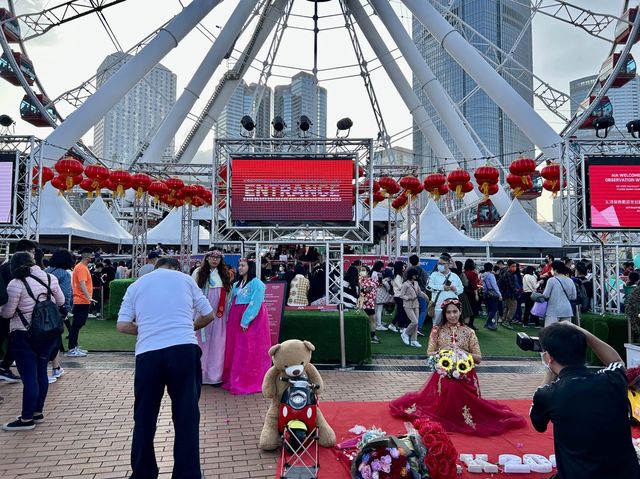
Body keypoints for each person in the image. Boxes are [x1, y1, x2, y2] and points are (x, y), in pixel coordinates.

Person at [117, 257, 214, 479]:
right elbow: (208, 314)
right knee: (186, 415)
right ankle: (187, 474)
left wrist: (148, 329)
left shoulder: (136, 284)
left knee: (144, 416)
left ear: (156, 266)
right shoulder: (185, 280)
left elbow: (122, 325)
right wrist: (188, 326)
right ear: (177, 268)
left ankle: (143, 472)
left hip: (148, 353)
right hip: (183, 349)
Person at [390, 298, 526, 436]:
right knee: (449, 386)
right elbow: (429, 353)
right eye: (448, 312)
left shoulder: (469, 332)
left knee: (459, 393)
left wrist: (463, 353)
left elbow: (478, 358)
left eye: (455, 311)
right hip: (444, 373)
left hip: (465, 375)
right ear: (444, 314)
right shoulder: (437, 330)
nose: (452, 315)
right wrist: (444, 352)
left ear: (460, 312)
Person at [531, 322, 640, 479]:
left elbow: (538, 424)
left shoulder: (548, 394)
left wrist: (549, 370)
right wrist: (581, 332)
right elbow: (617, 361)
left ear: (548, 357)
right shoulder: (611, 380)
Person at [0, 252, 65, 431]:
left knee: (29, 378)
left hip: (23, 334)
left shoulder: (16, 283)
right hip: (48, 334)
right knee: (41, 374)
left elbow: (7, 312)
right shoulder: (50, 278)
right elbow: (61, 301)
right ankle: (37, 412)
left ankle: (26, 418)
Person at [222, 259, 272, 395]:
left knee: (248, 348)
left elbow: (255, 303)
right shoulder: (237, 283)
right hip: (235, 317)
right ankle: (236, 377)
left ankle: (250, 379)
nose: (240, 268)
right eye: (239, 265)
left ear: (250, 268)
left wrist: (245, 321)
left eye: (243, 265)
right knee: (236, 347)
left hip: (250, 319)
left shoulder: (257, 284)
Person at [0, 239, 37, 384]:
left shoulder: (6, 267)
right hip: (11, 313)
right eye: (32, 253)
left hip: (10, 312)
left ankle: (4, 367)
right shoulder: (14, 271)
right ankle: (4, 367)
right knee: (12, 342)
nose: (33, 257)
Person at [192, 249, 231, 385]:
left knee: (218, 343)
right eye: (212, 257)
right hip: (202, 313)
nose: (215, 260)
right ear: (207, 258)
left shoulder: (224, 274)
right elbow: (193, 294)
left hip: (220, 315)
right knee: (201, 342)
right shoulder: (198, 273)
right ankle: (200, 374)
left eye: (217, 258)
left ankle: (215, 376)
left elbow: (228, 295)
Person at [44, 249, 75, 382]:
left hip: (41, 309)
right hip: (56, 309)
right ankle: (54, 368)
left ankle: (56, 367)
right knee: (55, 339)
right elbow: (66, 294)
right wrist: (65, 310)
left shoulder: (45, 271)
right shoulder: (64, 274)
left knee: (45, 338)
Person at [67, 247, 95, 357]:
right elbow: (82, 284)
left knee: (77, 324)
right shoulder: (81, 268)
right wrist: (89, 297)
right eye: (91, 255)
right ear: (87, 257)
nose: (92, 257)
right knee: (77, 324)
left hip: (82, 300)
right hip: (81, 300)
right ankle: (72, 348)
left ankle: (74, 347)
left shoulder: (80, 267)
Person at [427, 253, 463, 327]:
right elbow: (428, 286)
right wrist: (442, 287)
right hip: (438, 307)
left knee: (453, 328)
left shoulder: (455, 276)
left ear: (448, 264)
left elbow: (461, 289)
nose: (439, 265)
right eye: (438, 263)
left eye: (442, 263)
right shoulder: (434, 275)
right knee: (437, 328)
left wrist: (455, 289)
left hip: (453, 307)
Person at [541, 260, 577, 327]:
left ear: (555, 270)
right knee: (566, 333)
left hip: (553, 310)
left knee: (550, 333)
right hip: (567, 310)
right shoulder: (570, 280)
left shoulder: (551, 280)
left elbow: (546, 295)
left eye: (551, 269)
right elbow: (573, 297)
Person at [400, 267, 429, 348]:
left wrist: (426, 297)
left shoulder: (416, 283)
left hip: (416, 304)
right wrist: (409, 298)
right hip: (408, 305)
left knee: (415, 324)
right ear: (412, 275)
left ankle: (414, 340)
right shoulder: (405, 284)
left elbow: (419, 293)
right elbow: (401, 295)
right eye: (415, 274)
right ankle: (405, 334)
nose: (417, 276)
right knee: (415, 322)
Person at [408, 255, 429, 336]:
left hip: (410, 292)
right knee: (423, 310)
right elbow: (427, 281)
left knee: (412, 309)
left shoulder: (407, 270)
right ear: (418, 261)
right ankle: (418, 327)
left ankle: (411, 327)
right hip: (421, 292)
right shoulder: (422, 270)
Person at [359, 266, 380, 344]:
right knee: (363, 320)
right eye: (361, 270)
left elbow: (374, 287)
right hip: (361, 303)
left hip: (370, 304)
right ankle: (364, 336)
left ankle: (372, 336)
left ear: (368, 272)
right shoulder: (359, 280)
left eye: (363, 270)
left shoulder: (371, 280)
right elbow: (365, 290)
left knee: (372, 319)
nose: (361, 272)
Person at [497, 260, 519, 330]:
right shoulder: (509, 274)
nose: (515, 268)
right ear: (508, 266)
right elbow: (511, 286)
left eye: (515, 266)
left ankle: (504, 320)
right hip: (510, 294)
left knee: (507, 307)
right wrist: (516, 292)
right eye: (513, 266)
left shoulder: (504, 272)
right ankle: (507, 321)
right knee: (513, 307)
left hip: (505, 293)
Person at [388, 261, 408, 332]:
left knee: (401, 311)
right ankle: (394, 325)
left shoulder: (399, 276)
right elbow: (400, 286)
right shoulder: (397, 276)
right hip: (399, 296)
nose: (404, 267)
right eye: (403, 266)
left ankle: (399, 326)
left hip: (399, 296)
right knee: (401, 312)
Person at [481, 262, 502, 331]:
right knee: (494, 309)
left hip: (485, 293)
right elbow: (494, 286)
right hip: (492, 293)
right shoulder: (491, 275)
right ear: (491, 268)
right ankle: (488, 323)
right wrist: (499, 294)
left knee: (489, 309)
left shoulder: (483, 275)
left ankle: (489, 322)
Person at [462, 259, 480, 330]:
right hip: (472, 294)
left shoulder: (463, 273)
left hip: (464, 293)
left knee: (465, 309)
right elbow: (475, 285)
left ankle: (465, 324)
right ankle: (470, 324)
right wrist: (476, 295)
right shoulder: (473, 274)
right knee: (472, 309)